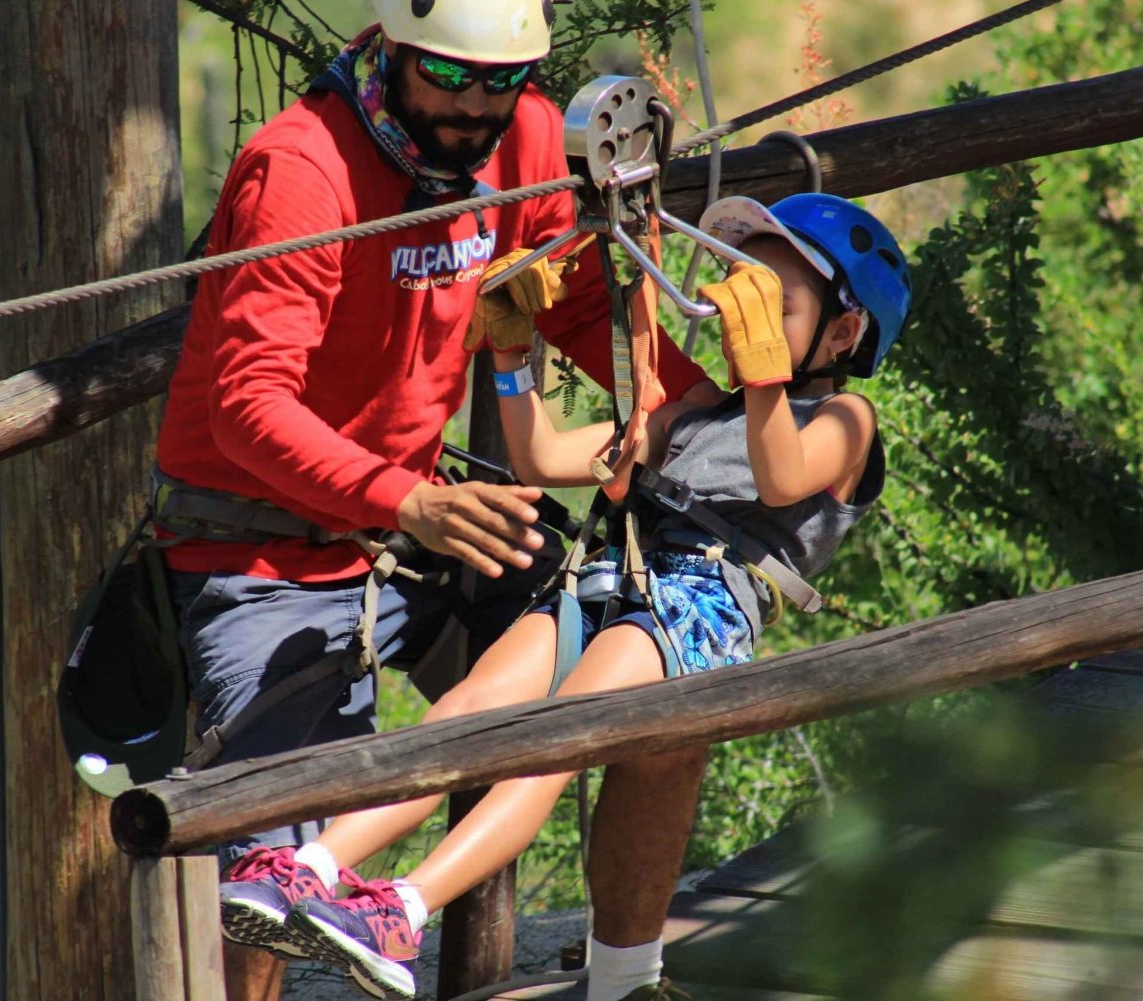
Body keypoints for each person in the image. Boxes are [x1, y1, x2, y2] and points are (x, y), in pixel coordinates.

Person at [151, 2, 724, 999]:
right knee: (272, 867)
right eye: (448, 79)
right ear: (392, 51)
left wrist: (692, 405)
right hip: (264, 552)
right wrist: (404, 500)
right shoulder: (303, 169)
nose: (473, 106)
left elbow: (578, 298)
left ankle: (627, 977)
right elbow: (248, 406)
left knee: (655, 668)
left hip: (414, 525)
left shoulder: (534, 135)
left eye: (498, 82)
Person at [266, 191, 912, 1001]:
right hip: (607, 581)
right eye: (741, 295)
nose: (743, 318)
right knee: (468, 707)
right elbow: (541, 456)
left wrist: (764, 375)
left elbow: (783, 473)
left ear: (843, 333)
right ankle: (310, 867)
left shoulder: (847, 418)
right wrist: (511, 354)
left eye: (773, 305)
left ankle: (405, 906)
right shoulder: (691, 412)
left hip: (695, 608)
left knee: (552, 738)